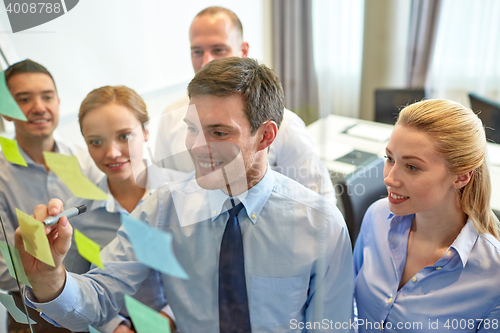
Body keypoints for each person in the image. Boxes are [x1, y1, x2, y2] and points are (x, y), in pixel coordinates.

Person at [17, 57, 353, 332]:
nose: (195, 146)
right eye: (193, 129)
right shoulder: (163, 209)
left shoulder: (320, 225)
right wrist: (51, 280)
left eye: (218, 132)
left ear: (265, 137)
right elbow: (102, 294)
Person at [154, 6, 335, 200]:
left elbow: (320, 201)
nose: (206, 62)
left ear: (243, 51)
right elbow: (163, 189)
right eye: (197, 51)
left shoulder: (285, 126)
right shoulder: (172, 117)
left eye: (218, 50)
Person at [353, 99, 500, 332]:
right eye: (390, 159)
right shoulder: (376, 217)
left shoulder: (493, 276)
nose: (389, 178)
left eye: (412, 167)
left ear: (461, 177)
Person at [63, 86, 185, 332]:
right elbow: (76, 286)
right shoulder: (79, 215)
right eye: (96, 141)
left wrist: (168, 319)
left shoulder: (186, 194)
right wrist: (113, 326)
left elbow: (211, 272)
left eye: (124, 136)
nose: (112, 153)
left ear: (146, 131)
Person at [0, 59, 102, 333]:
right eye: (23, 99)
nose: (39, 107)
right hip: (32, 309)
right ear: (6, 111)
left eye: (47, 97)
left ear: (58, 102)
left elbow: (106, 235)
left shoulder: (87, 160)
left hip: (95, 296)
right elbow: (1, 264)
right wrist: (52, 287)